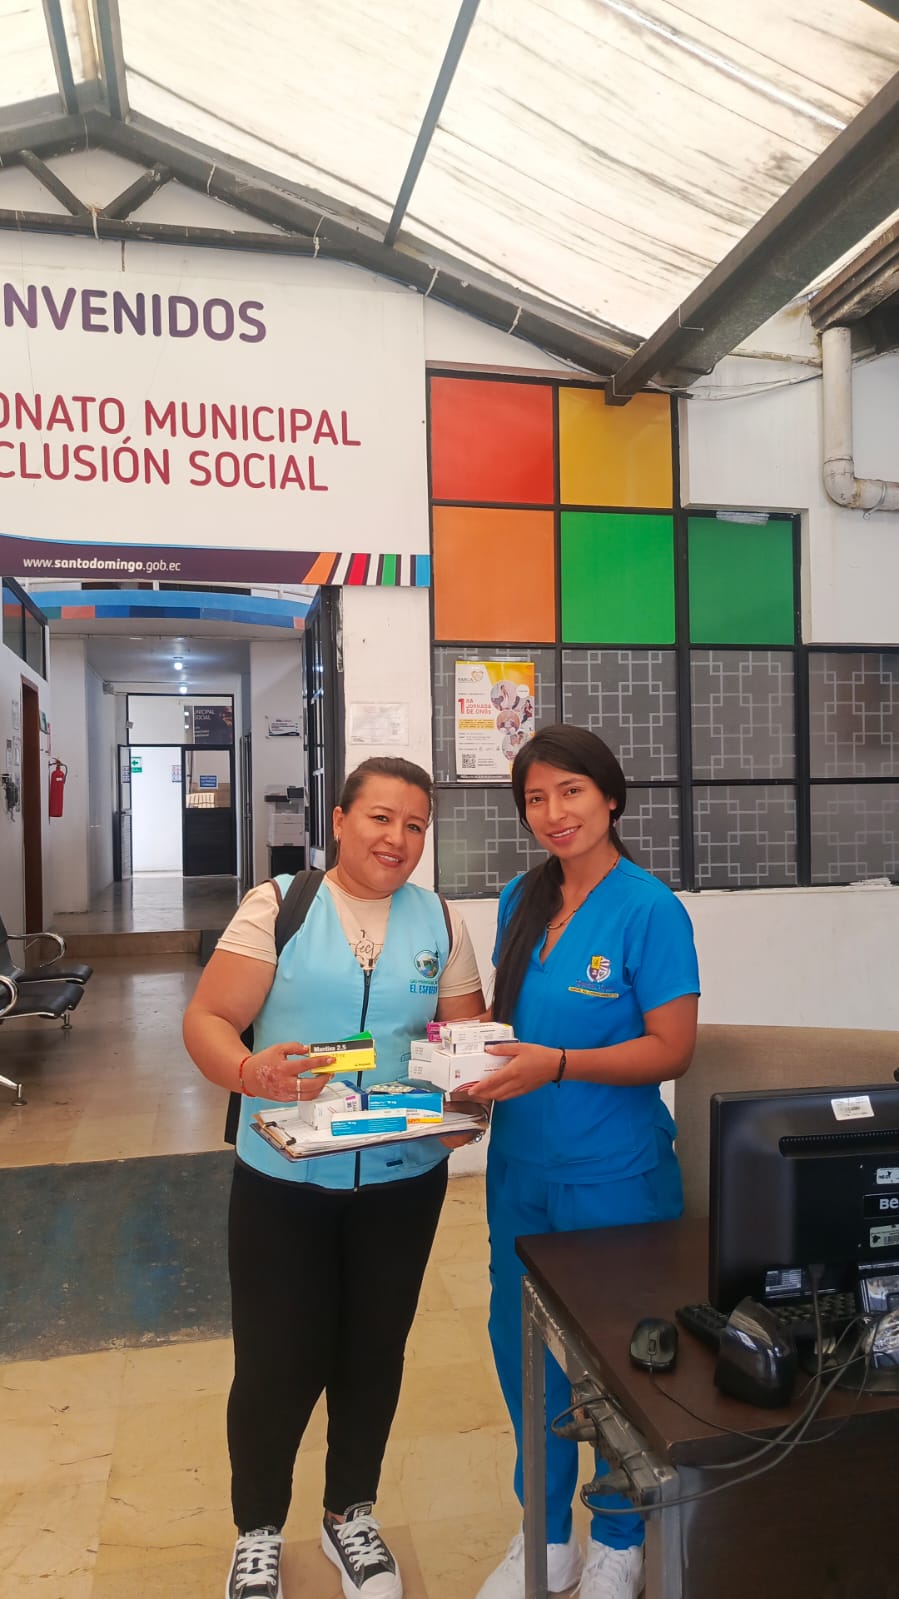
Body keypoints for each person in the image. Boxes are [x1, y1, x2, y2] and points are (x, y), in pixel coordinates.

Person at [183, 756, 484, 1599]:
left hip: (402, 1181)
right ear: (342, 820)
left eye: (415, 824)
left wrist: (466, 1094)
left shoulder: (439, 920)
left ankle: (349, 1510)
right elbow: (209, 1017)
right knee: (276, 1361)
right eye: (381, 817)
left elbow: (463, 1039)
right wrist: (248, 1071)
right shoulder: (279, 906)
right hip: (284, 1181)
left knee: (373, 1353)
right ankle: (257, 1529)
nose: (398, 838)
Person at [470, 725, 700, 1599]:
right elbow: (503, 1033)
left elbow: (671, 1047)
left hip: (614, 1176)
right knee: (521, 1352)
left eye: (570, 790)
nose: (552, 812)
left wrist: (559, 1064)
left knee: (615, 1360)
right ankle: (547, 1530)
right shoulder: (519, 899)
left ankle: (617, 1536)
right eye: (534, 797)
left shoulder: (648, 908)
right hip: (520, 1172)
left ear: (609, 797)